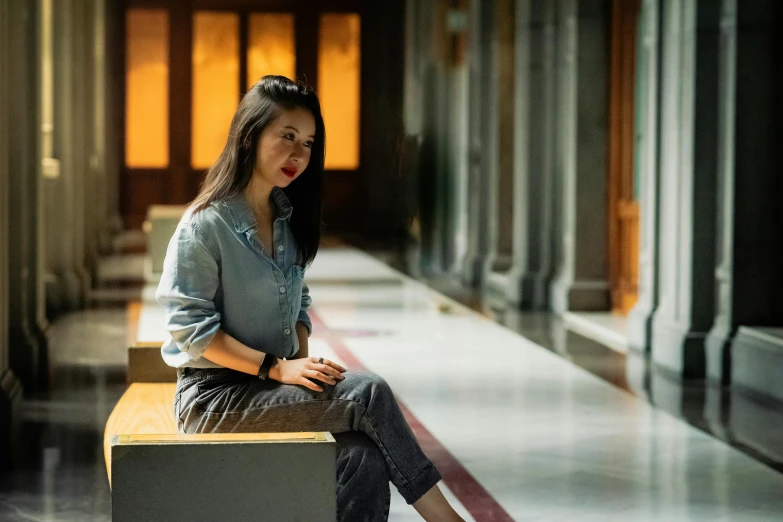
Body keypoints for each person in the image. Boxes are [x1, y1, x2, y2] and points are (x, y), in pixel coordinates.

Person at [156, 75, 464, 522]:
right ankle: (447, 520)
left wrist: (303, 378)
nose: (299, 153)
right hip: (213, 400)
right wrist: (278, 368)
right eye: (287, 137)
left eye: (308, 142)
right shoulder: (205, 226)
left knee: (365, 458)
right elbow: (191, 331)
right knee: (368, 392)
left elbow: (299, 305)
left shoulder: (285, 218)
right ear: (248, 136)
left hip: (267, 389)